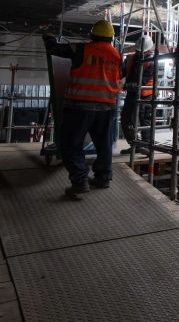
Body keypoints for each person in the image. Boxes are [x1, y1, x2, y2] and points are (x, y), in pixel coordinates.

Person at [44, 20, 123, 199]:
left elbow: (54, 49)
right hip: (107, 107)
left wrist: (47, 36)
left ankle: (80, 181)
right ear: (111, 38)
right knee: (104, 145)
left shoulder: (81, 49)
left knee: (71, 145)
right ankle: (103, 178)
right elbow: (120, 78)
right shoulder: (117, 55)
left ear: (92, 35)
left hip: (80, 106)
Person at [120, 35, 155, 155]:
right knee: (126, 118)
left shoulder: (151, 63)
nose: (140, 53)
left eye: (143, 51)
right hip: (131, 94)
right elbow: (122, 73)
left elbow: (141, 83)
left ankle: (147, 146)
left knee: (144, 120)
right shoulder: (130, 59)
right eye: (138, 51)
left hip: (146, 95)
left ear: (149, 50)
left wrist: (123, 86)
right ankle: (135, 144)